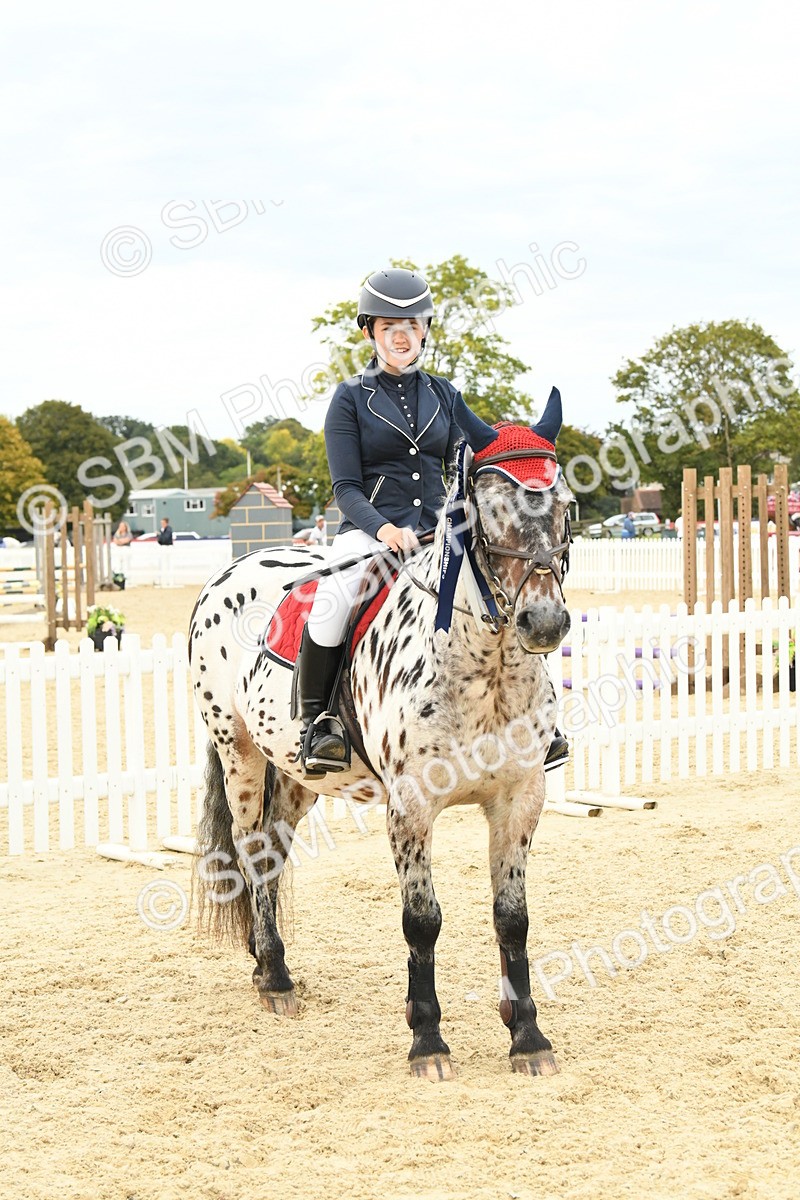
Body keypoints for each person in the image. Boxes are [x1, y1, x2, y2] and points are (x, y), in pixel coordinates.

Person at [296, 267, 569, 778]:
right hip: (371, 533)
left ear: (424, 331)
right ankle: (318, 722)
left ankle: (539, 719)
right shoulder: (349, 398)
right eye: (388, 327)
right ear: (369, 332)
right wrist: (383, 529)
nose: (401, 336)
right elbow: (346, 488)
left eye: (411, 326)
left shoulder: (445, 394)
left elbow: (465, 466)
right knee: (333, 599)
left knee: (504, 592)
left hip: (439, 531)